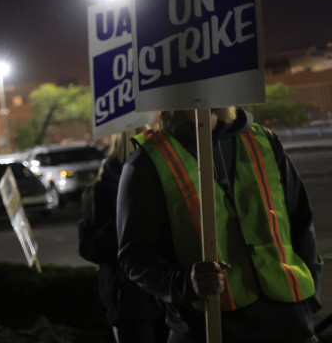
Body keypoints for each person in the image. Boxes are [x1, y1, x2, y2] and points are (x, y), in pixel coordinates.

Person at [117, 107, 321, 343]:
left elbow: (301, 221)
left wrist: (310, 295)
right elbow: (134, 255)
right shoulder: (147, 160)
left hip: (291, 324)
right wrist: (185, 284)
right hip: (208, 327)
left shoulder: (263, 140)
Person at [78, 130, 167, 343]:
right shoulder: (100, 190)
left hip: (165, 293)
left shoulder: (161, 178)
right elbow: (89, 247)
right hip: (129, 300)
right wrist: (123, 220)